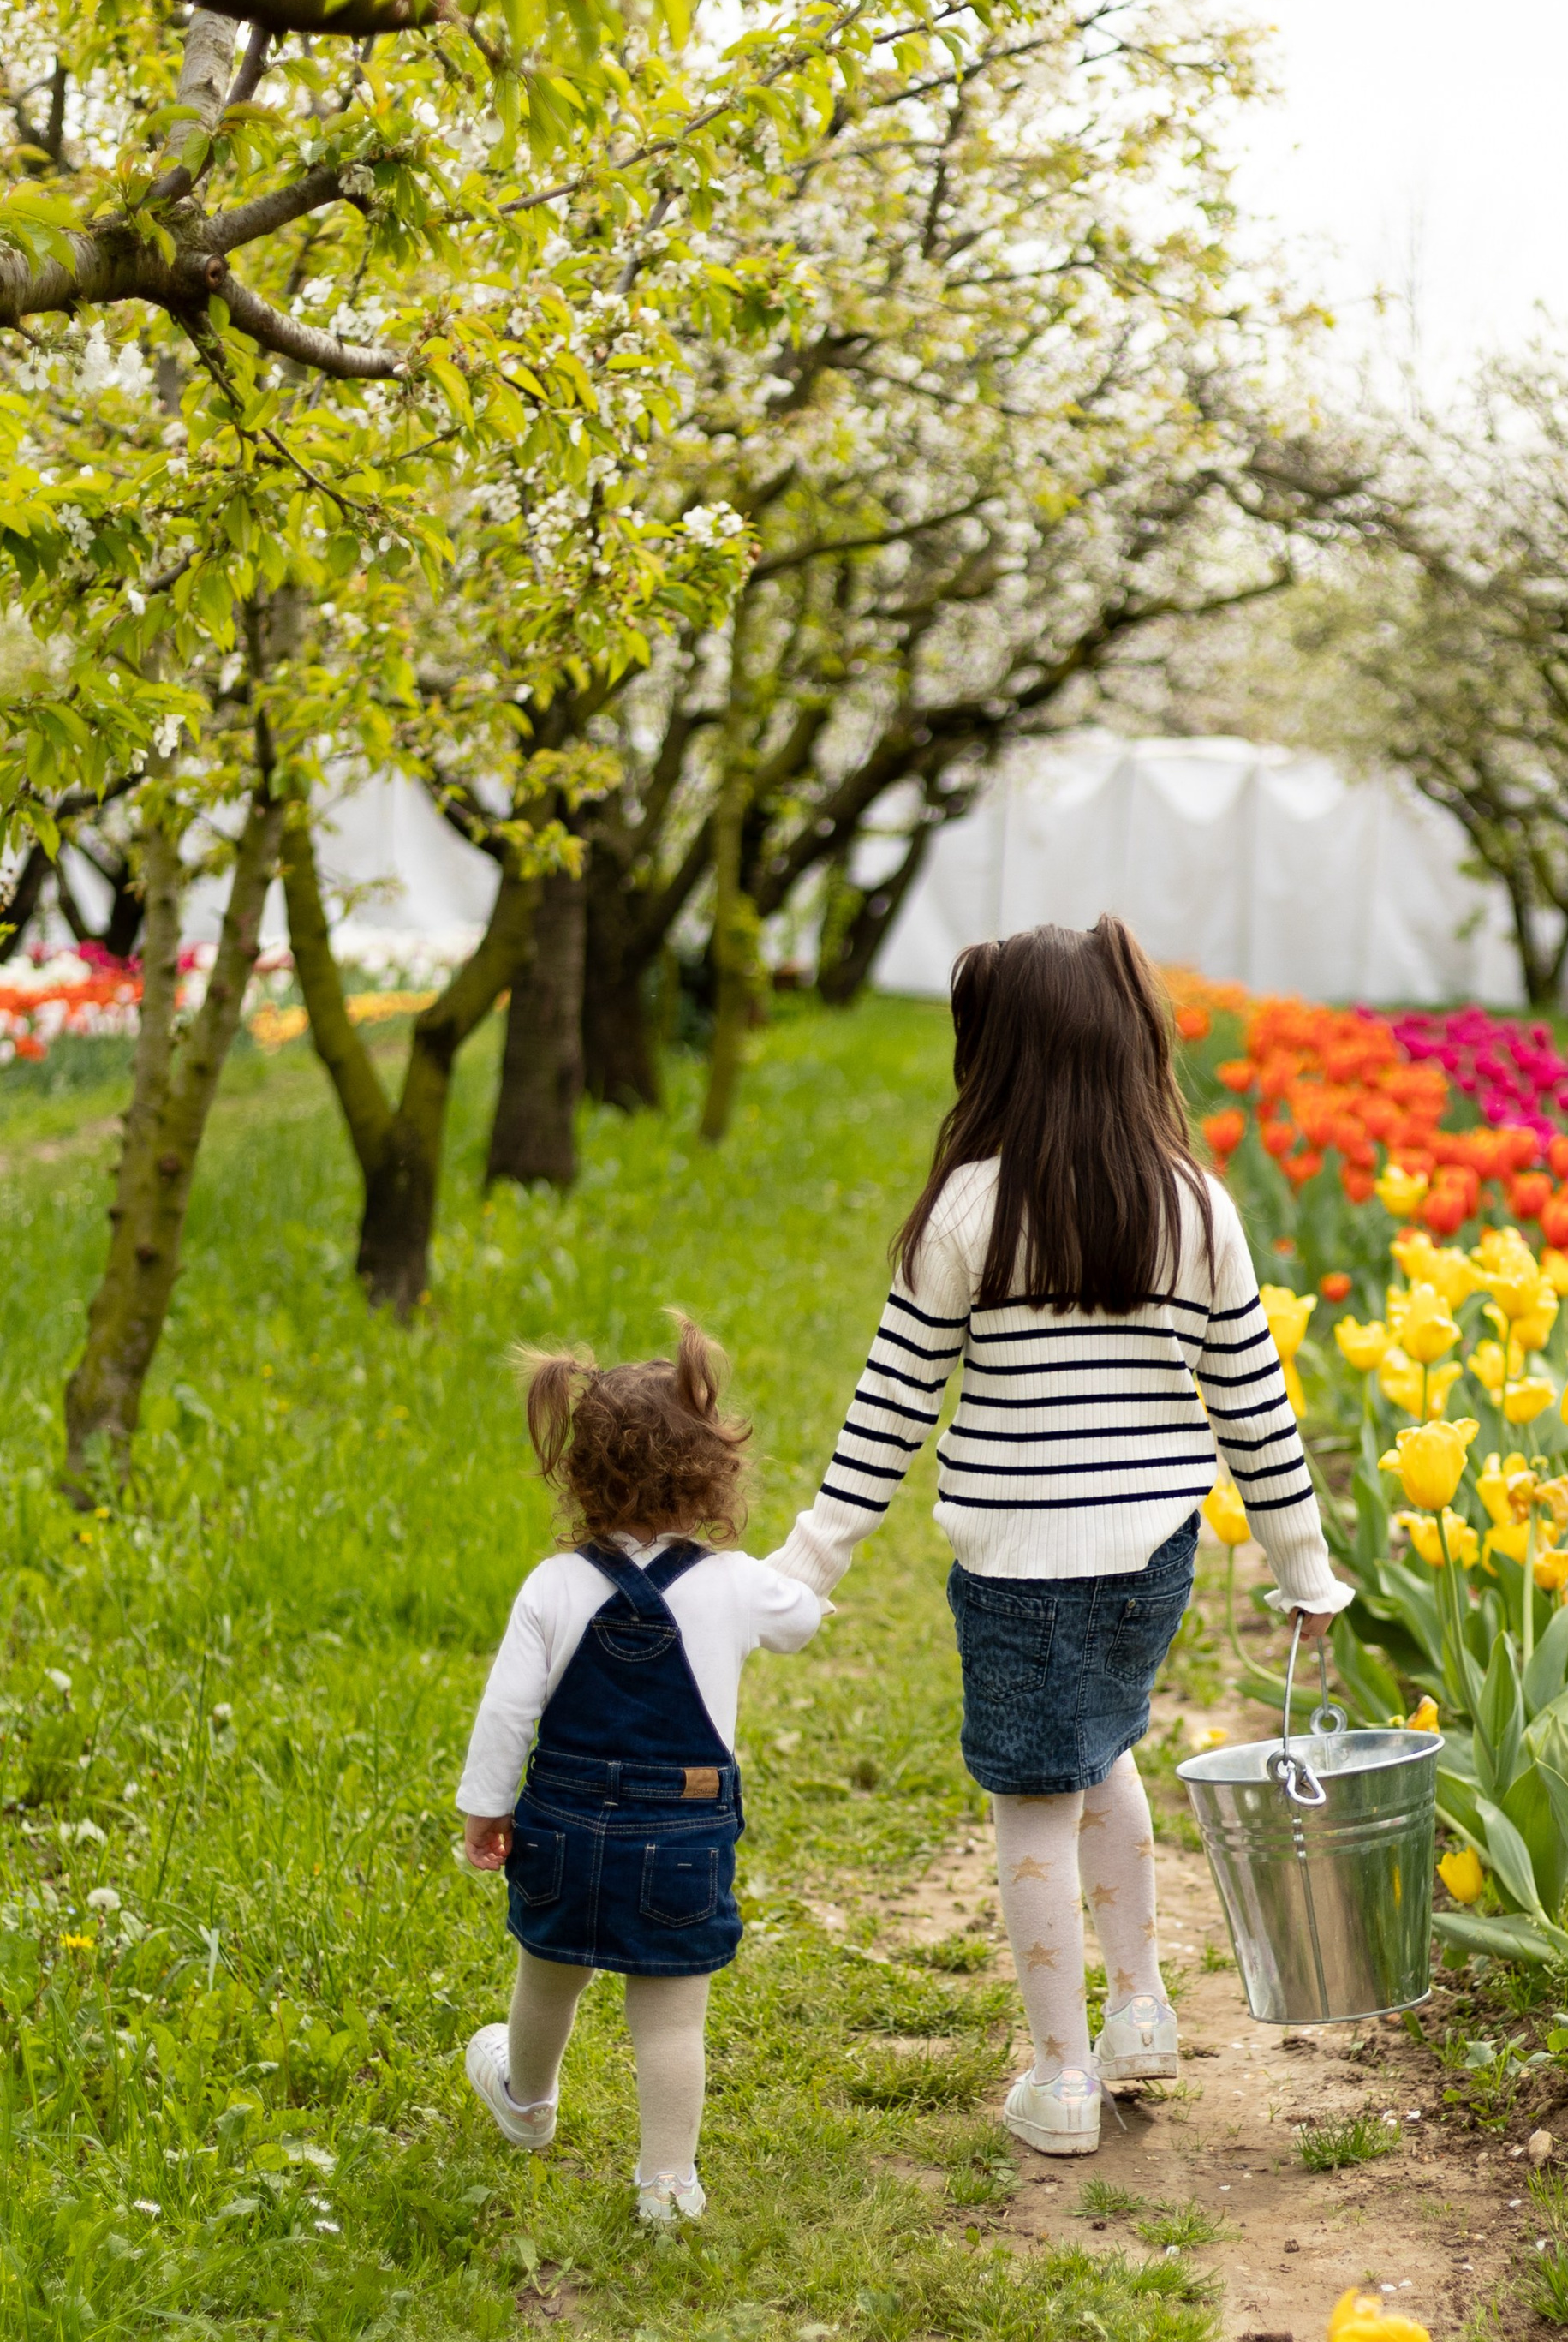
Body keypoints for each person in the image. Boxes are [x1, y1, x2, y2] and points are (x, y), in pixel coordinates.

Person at [768, 917, 1347, 2160]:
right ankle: (1137, 2009)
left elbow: (892, 1404)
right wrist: (1305, 1567)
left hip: (1021, 1569)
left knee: (1034, 1802)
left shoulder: (968, 1211)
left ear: (1002, 1059)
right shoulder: (1196, 1204)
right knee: (1105, 1749)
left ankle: (1062, 2073)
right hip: (1152, 1561)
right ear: (1132, 1045)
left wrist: (811, 1560)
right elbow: (1255, 1403)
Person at [457, 1318, 822, 2223]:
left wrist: (485, 1809)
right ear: (711, 1473)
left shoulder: (553, 1585)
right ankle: (666, 2183)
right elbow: (802, 1619)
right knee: (669, 2019)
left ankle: (527, 2100)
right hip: (682, 1831)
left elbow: (507, 1712)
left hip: (563, 1825)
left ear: (580, 1476)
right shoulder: (734, 1582)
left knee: (548, 1973)